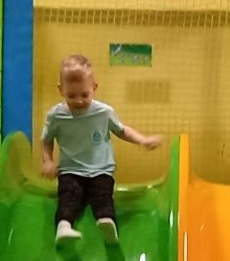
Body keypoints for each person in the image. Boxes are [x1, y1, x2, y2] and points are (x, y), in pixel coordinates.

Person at [40, 53, 162, 246]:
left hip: (101, 169)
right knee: (68, 197)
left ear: (94, 87)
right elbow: (46, 140)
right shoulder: (55, 116)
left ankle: (108, 225)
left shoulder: (103, 112)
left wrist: (142, 140)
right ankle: (63, 227)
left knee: (103, 196)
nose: (79, 101)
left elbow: (122, 130)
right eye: (71, 95)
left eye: (84, 95)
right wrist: (47, 161)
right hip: (71, 170)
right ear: (60, 90)